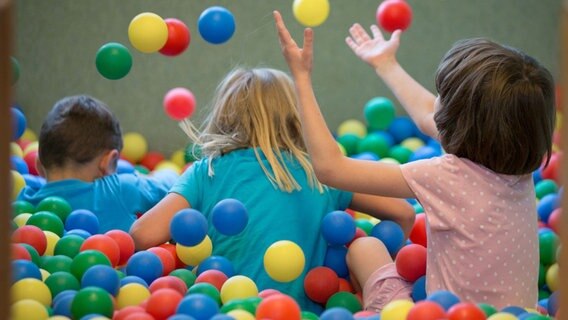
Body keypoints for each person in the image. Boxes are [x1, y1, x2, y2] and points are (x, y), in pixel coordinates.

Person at [273, 10, 555, 311]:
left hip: (444, 316)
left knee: (365, 249)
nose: (435, 103)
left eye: (441, 96)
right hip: (520, 315)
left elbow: (331, 168)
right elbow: (427, 115)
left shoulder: (447, 175)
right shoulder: (520, 163)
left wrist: (301, 78)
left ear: (458, 122)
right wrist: (386, 64)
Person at [129, 67, 415, 312]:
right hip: (303, 313)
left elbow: (142, 235)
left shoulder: (207, 171)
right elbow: (403, 212)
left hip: (227, 310)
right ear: (296, 117)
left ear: (225, 115)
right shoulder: (322, 172)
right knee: (366, 246)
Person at [18, 95, 177, 233]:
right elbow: (175, 186)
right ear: (109, 162)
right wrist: (158, 175)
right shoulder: (120, 189)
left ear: (39, 166)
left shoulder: (23, 204)